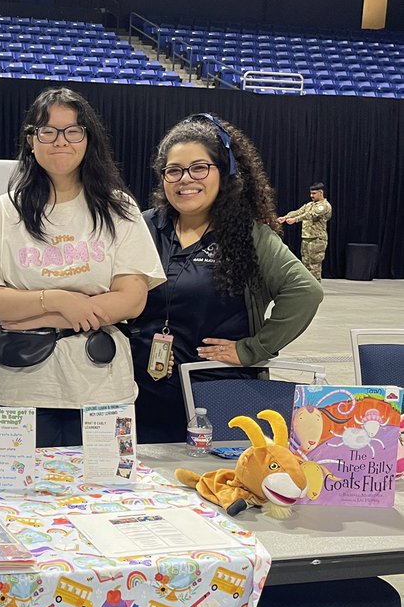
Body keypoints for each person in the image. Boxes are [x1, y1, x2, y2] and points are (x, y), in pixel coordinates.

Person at [0, 87, 164, 448]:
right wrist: (57, 299)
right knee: (18, 498)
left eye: (72, 131)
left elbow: (132, 300)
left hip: (101, 388)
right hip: (21, 390)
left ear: (87, 139)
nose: (60, 141)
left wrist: (33, 313)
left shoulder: (120, 208)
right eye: (48, 131)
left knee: (107, 496)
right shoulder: (4, 211)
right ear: (31, 140)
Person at [129, 113, 323, 444]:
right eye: (173, 170)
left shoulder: (249, 236)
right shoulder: (142, 227)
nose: (184, 179)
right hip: (139, 394)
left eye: (199, 168)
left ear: (225, 173)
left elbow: (305, 292)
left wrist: (253, 349)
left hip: (219, 397)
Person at [279, 182, 332, 280]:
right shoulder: (309, 205)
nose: (311, 196)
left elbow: (310, 215)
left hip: (317, 239)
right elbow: (299, 211)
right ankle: (307, 287)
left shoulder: (324, 206)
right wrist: (285, 217)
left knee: (314, 265)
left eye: (314, 193)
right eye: (311, 193)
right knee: (305, 264)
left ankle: (315, 289)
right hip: (307, 238)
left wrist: (295, 220)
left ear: (321, 193)